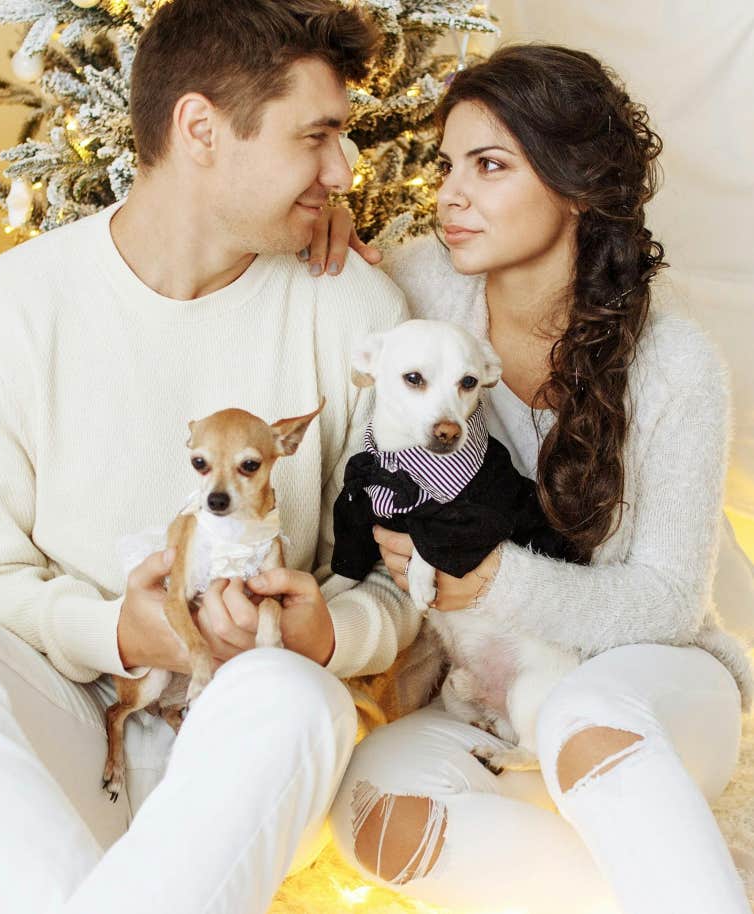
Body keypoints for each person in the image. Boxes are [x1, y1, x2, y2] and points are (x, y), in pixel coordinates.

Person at [0, 3, 413, 913]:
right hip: (69, 717)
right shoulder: (5, 310)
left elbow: (404, 580)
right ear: (201, 129)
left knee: (295, 702)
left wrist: (326, 635)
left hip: (250, 743)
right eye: (318, 136)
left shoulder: (358, 314)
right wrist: (120, 634)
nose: (343, 169)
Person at [320, 45, 754, 914]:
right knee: (373, 810)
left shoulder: (675, 365)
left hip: (655, 686)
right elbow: (316, 289)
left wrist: (493, 583)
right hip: (491, 696)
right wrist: (317, 228)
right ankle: (669, 884)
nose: (449, 194)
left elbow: (668, 601)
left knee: (578, 713)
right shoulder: (418, 289)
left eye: (490, 166)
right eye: (447, 165)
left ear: (577, 185)